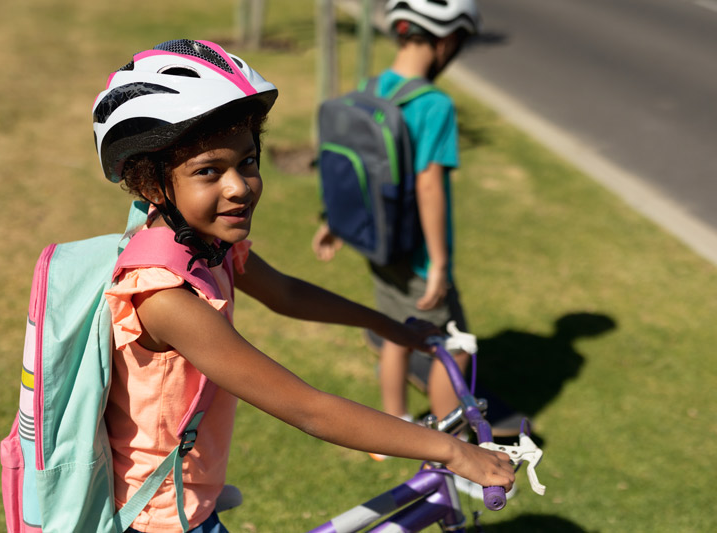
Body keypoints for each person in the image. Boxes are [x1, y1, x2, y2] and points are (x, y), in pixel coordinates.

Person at [93, 39, 513, 533]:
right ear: (152, 186)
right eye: (209, 171)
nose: (239, 187)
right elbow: (307, 409)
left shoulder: (206, 246)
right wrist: (453, 450)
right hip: (161, 519)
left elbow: (287, 293)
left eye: (247, 162)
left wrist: (390, 326)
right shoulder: (163, 297)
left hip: (190, 498)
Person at [312, 0, 522, 446]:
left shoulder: (374, 87)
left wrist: (335, 220)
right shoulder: (435, 105)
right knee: (457, 345)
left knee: (396, 330)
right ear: (447, 40)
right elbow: (428, 185)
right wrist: (440, 265)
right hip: (420, 256)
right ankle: (446, 445)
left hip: (380, 243)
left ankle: (395, 427)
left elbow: (358, 169)